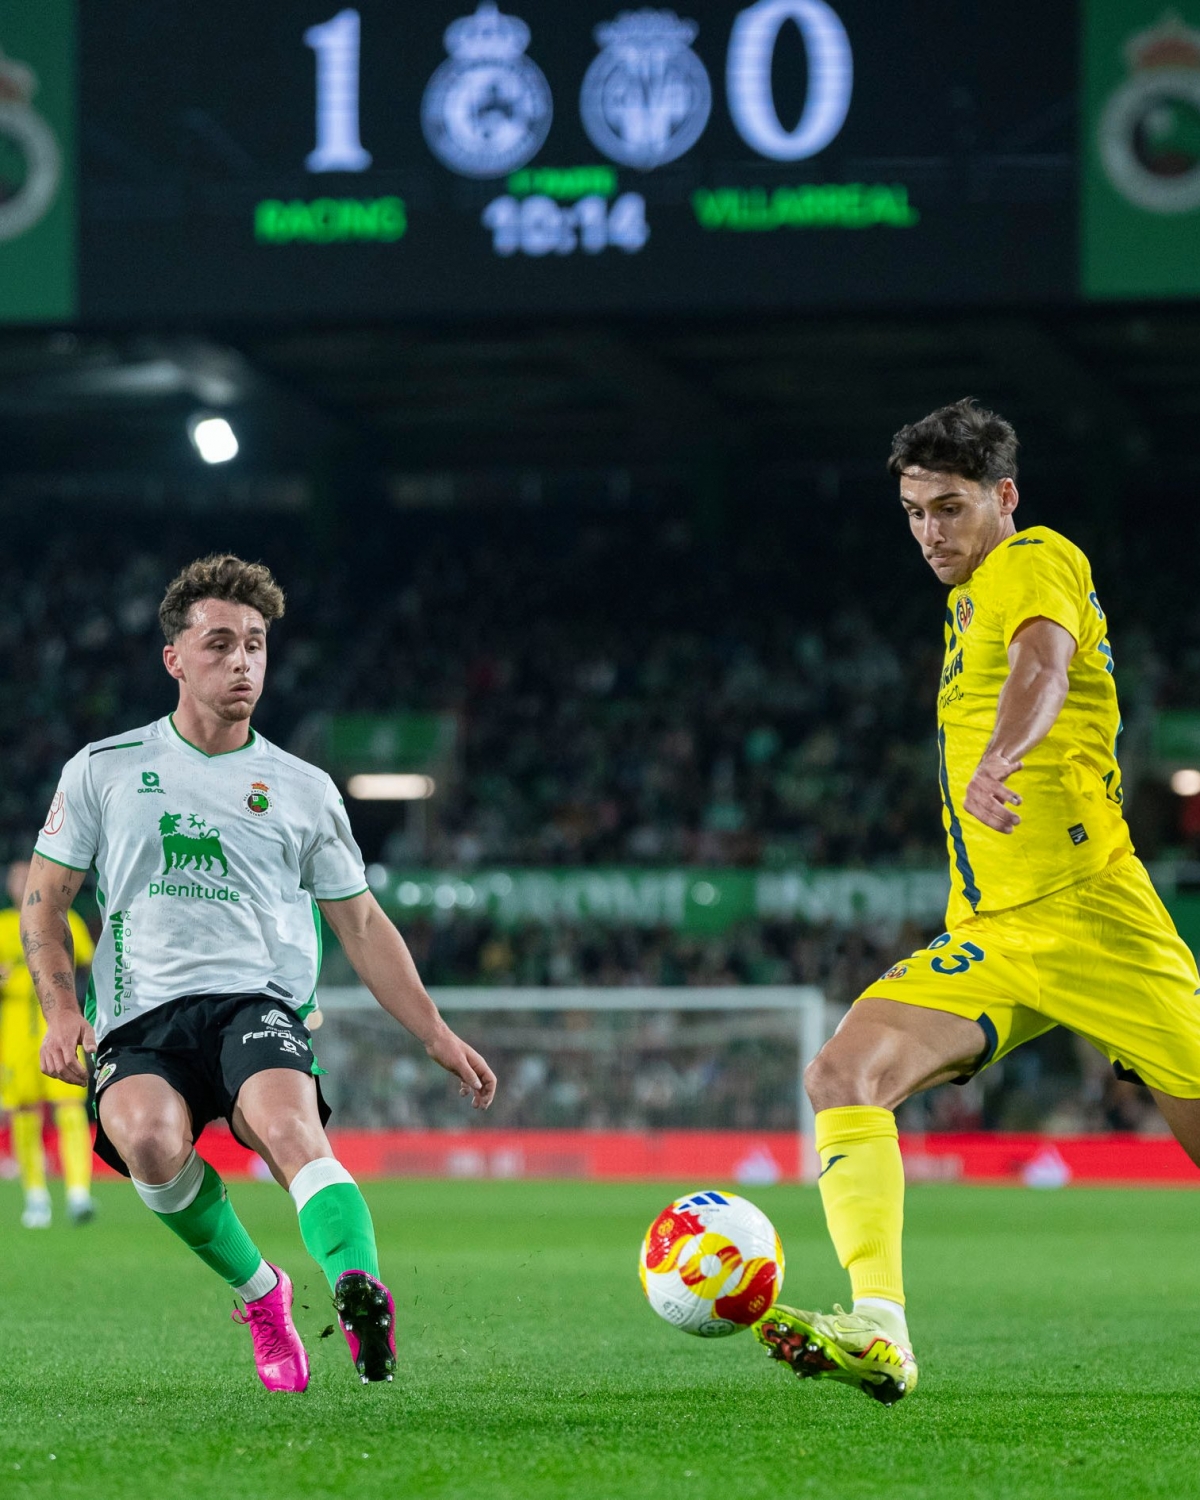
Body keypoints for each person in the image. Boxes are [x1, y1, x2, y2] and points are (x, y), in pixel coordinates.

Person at [755, 398, 1200, 1404]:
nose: (929, 533)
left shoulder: (1035, 560)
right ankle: (878, 1328)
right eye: (913, 511)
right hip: (999, 933)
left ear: (1003, 496)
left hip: (1094, 916)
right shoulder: (966, 598)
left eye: (949, 508)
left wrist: (1003, 754)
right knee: (843, 1075)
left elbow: (1044, 662)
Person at [21, 554, 496, 1392]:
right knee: (149, 1144)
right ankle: (264, 1295)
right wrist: (63, 1013)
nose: (242, 662)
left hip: (258, 1002)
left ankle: (358, 1283)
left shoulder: (304, 788)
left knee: (288, 1128)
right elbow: (44, 903)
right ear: (175, 657)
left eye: (255, 645)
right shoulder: (105, 768)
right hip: (141, 1019)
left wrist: (436, 1032)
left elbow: (360, 921)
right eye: (219, 645)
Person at [0, 858, 97, 1227]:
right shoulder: (3, 926)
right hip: (14, 1035)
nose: (22, 883)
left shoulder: (64, 920)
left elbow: (87, 966)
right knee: (24, 1115)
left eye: (28, 876)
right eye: (16, 877)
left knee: (69, 1109)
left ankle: (78, 1193)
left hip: (58, 1027)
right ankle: (36, 1196)